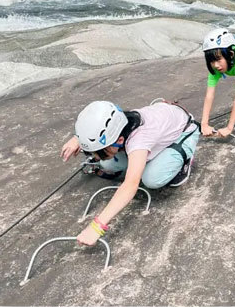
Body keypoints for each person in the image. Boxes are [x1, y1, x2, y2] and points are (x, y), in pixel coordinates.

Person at [60, 100, 200, 246]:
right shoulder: (119, 123)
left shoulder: (140, 139)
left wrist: (97, 227)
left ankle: (184, 158)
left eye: (98, 152)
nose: (94, 156)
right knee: (106, 163)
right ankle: (148, 158)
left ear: (119, 140)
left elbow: (130, 186)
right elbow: (96, 121)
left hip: (184, 131)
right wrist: (78, 139)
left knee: (151, 179)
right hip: (162, 123)